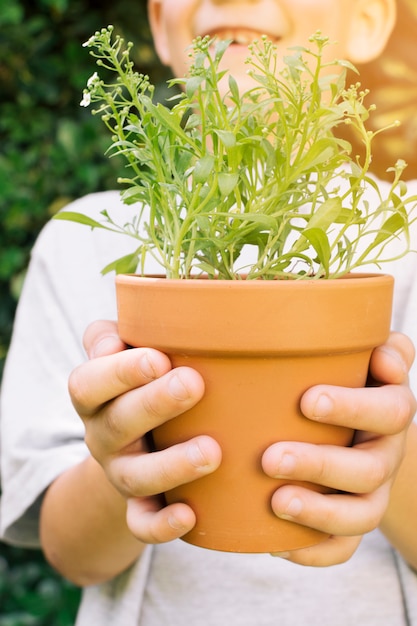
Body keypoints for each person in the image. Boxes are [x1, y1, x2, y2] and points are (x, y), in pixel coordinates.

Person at [2, 1, 417, 624]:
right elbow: (70, 551)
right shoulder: (81, 242)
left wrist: (391, 455)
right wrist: (122, 459)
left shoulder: (401, 227)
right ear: (162, 25)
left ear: (369, 20)